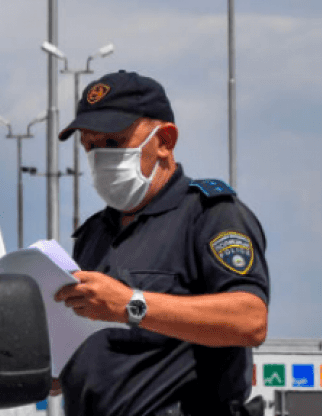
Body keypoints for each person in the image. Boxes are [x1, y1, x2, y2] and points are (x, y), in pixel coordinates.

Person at [52, 70, 269, 416]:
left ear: (164, 141)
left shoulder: (209, 216)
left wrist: (131, 305)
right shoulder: (93, 234)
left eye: (113, 142)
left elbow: (250, 319)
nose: (99, 157)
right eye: (90, 146)